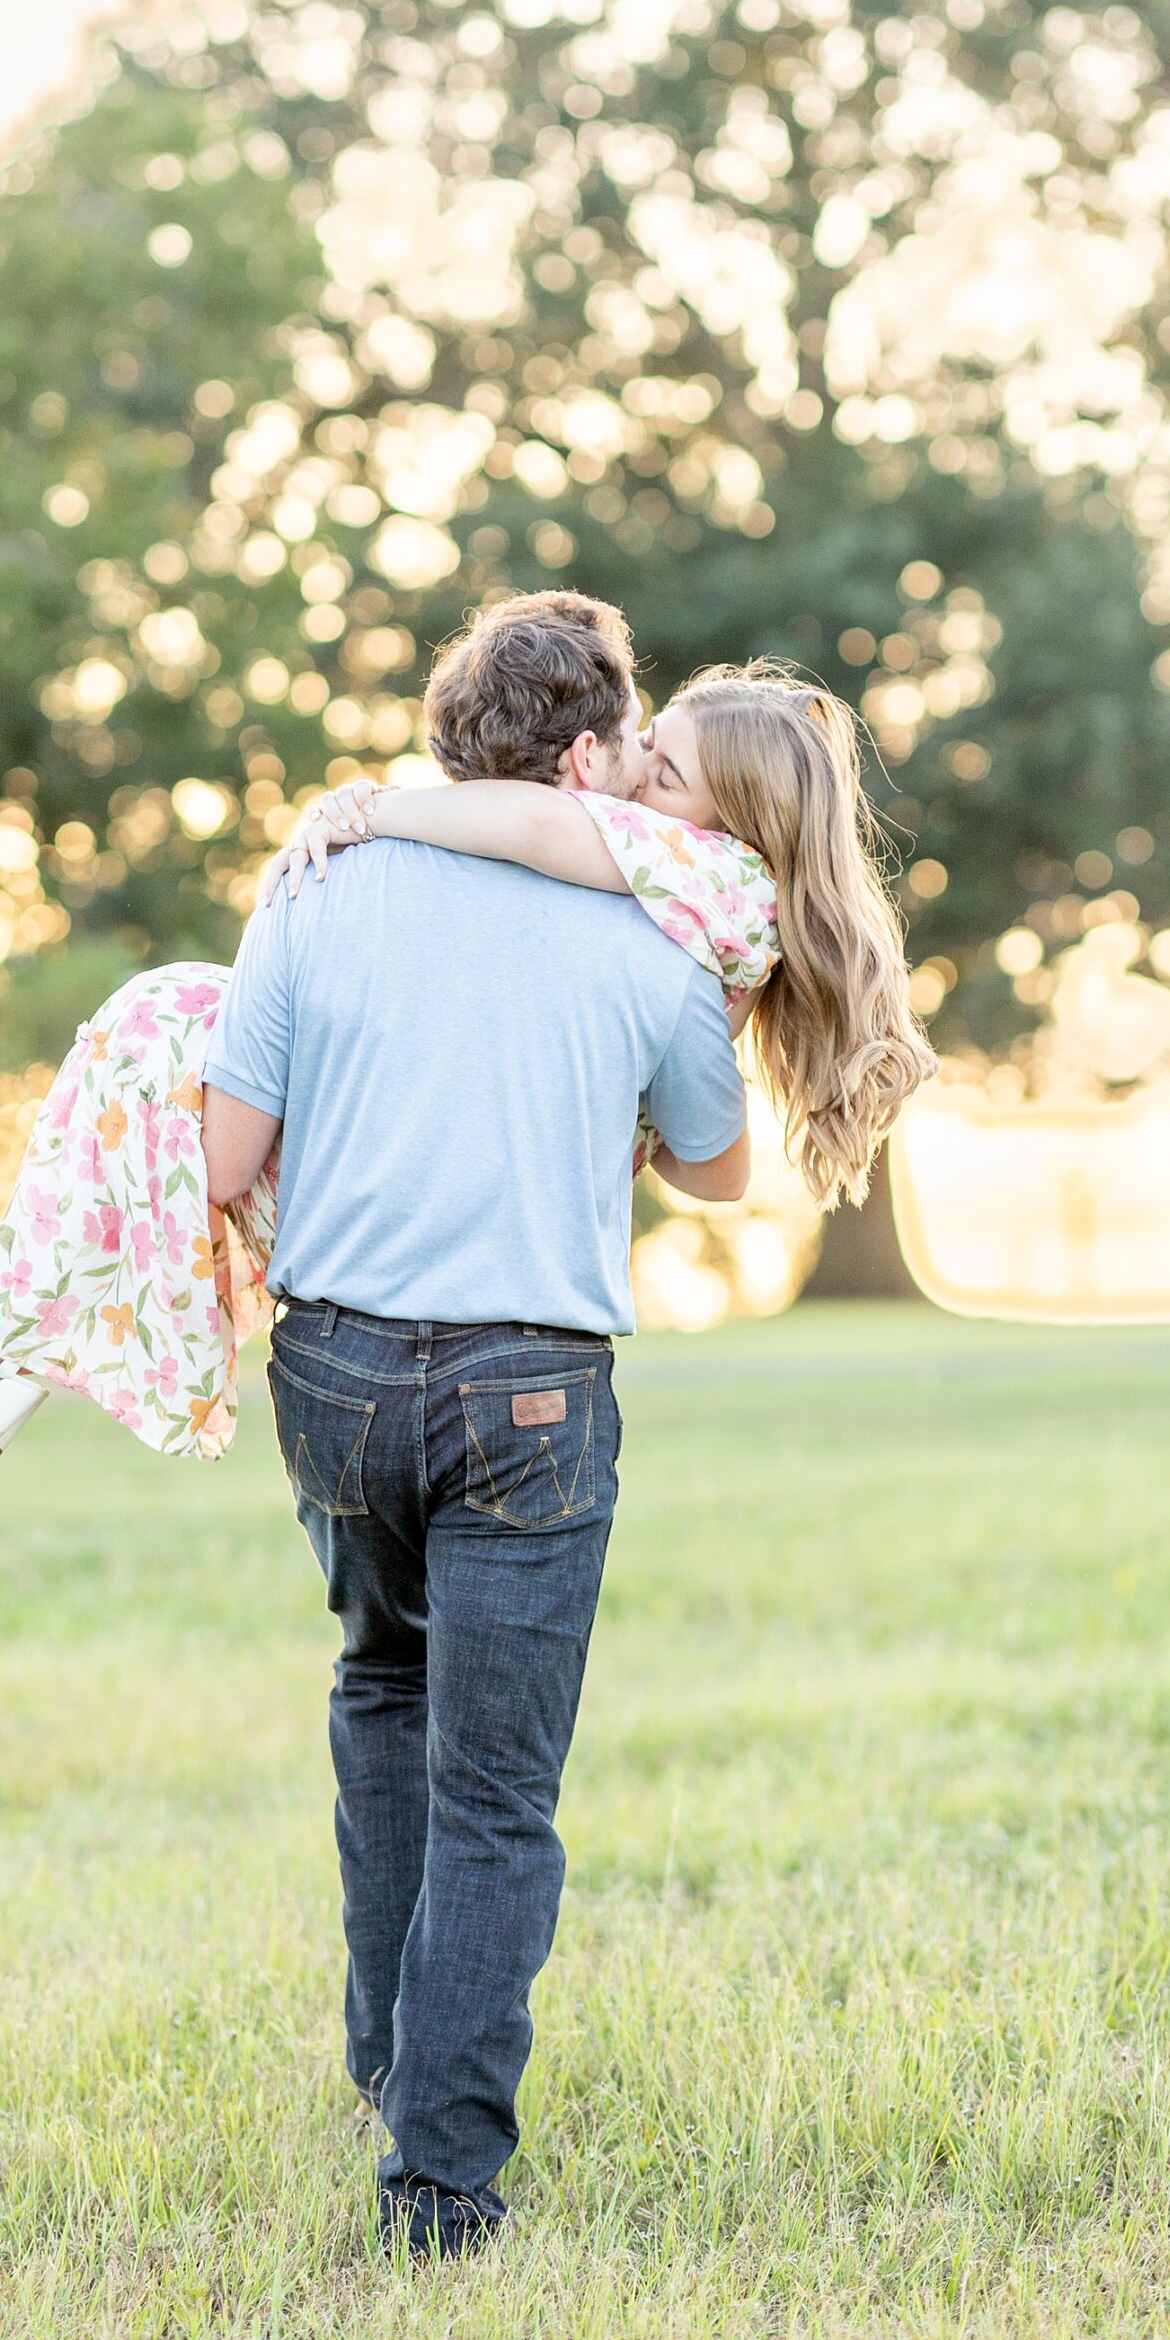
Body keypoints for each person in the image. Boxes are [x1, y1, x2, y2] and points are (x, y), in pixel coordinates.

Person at [0, 612, 932, 1457]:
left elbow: (539, 818)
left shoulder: (697, 873)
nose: (640, 771)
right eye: (641, 747)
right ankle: (15, 1327)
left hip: (365, 1288)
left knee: (157, 1024)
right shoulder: (687, 894)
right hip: (517, 1269)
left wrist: (365, 807)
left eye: (665, 766)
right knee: (167, 1044)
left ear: (736, 816)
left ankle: (4, 1322)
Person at [195, 590, 750, 2254]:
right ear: (585, 752)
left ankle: (386, 2058)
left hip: (335, 1377)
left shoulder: (314, 884)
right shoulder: (657, 928)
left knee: (379, 1685)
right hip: (530, 1385)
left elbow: (223, 1168)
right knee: (495, 1789)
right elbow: (720, 1168)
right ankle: (440, 2180)